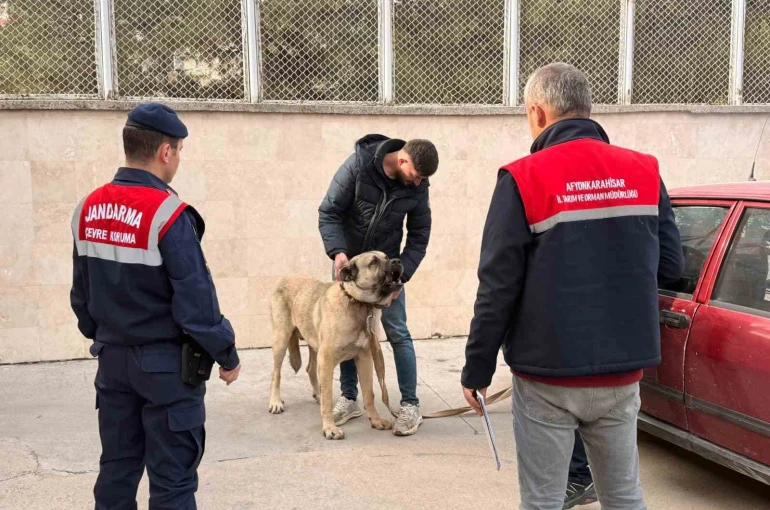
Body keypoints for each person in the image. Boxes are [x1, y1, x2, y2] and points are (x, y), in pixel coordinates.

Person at [460, 63, 684, 510]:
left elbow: (498, 286)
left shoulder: (523, 177)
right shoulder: (643, 170)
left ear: (538, 113)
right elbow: (672, 267)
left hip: (548, 375)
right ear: (586, 108)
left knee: (543, 500)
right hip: (623, 372)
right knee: (623, 497)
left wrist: (477, 369)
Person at [70, 103, 241, 510]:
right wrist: (226, 353)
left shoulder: (87, 208)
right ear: (166, 151)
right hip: (167, 370)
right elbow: (196, 303)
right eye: (179, 150)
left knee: (116, 469)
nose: (178, 159)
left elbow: (81, 298)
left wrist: (109, 338)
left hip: (112, 363)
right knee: (173, 482)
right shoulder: (167, 213)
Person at [318, 134, 439, 436]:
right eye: (415, 175)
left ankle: (410, 404)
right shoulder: (359, 166)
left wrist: (403, 275)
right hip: (352, 270)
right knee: (342, 333)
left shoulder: (418, 186)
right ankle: (349, 398)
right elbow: (329, 211)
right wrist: (338, 252)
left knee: (398, 332)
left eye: (422, 179)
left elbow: (420, 234)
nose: (417, 183)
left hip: (387, 272)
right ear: (402, 160)